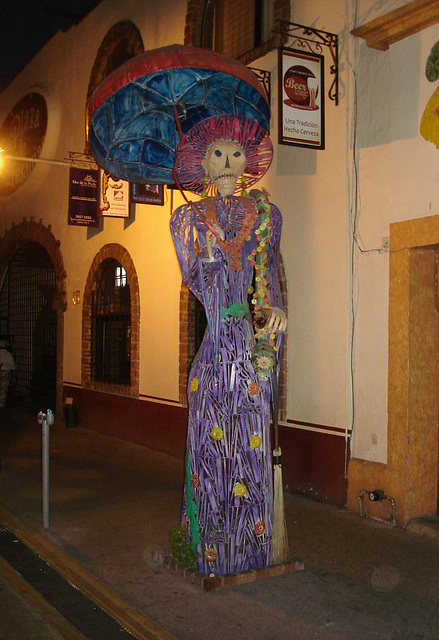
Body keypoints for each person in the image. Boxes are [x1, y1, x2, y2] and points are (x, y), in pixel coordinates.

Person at [170, 114, 287, 576]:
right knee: (212, 442)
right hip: (218, 344)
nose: (227, 162)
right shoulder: (188, 218)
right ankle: (209, 543)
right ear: (203, 162)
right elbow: (197, 281)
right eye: (217, 154)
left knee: (251, 441)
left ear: (247, 162)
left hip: (250, 347)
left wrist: (275, 304)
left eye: (235, 153)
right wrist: (209, 257)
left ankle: (252, 545)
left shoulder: (266, 215)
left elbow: (269, 270)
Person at [0, 339, 16, 408]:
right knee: (3, 387)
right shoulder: (8, 354)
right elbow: (12, 365)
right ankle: (1, 402)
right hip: (5, 372)